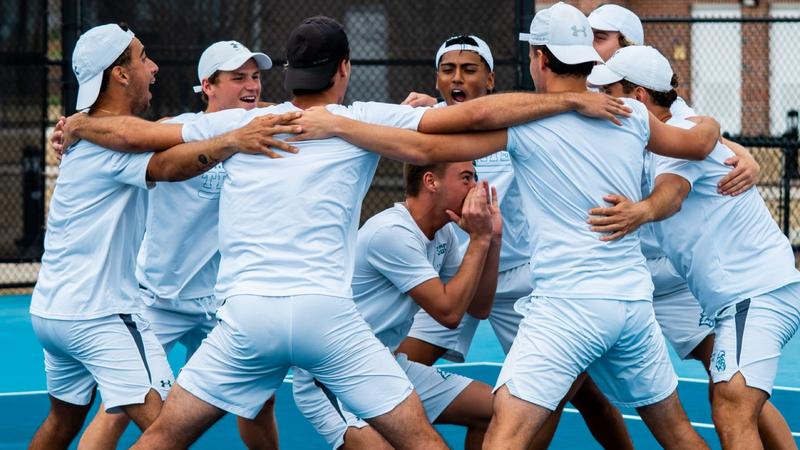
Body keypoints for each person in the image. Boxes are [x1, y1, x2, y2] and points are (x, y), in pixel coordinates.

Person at [56, 16, 631, 449]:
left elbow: (136, 135)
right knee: (421, 440)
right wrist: (570, 102)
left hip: (246, 318)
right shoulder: (364, 119)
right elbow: (477, 115)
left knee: (162, 437)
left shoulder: (241, 122)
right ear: (344, 70)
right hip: (325, 320)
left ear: (287, 72)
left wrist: (80, 124)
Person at [284, 3, 726, 449]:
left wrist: (339, 125)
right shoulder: (630, 114)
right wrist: (714, 123)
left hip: (568, 305)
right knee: (677, 432)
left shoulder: (527, 126)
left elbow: (423, 148)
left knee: (506, 434)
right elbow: (697, 142)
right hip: (631, 303)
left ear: (539, 58)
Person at [29, 23, 295, 450]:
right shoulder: (129, 137)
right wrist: (232, 141)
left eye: (254, 76)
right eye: (142, 57)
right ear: (208, 86)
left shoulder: (108, 132)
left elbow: (294, 112)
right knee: (166, 430)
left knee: (63, 422)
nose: (153, 67)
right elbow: (165, 161)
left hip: (62, 308)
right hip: (114, 307)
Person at [397, 34, 633, 449]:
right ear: (436, 79)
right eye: (448, 70)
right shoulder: (426, 122)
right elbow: (347, 122)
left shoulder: (520, 120)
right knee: (392, 375)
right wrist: (409, 114)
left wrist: (732, 148)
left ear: (490, 80)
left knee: (579, 392)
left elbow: (663, 124)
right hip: (456, 277)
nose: (457, 78)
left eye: (469, 70)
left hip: (519, 278)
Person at [586, 45, 800, 450]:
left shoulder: (679, 138)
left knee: (732, 406)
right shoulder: (669, 132)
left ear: (638, 97)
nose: (602, 99)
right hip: (745, 296)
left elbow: (673, 194)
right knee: (729, 398)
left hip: (755, 294)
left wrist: (639, 212)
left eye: (609, 91)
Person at [294, 164, 501, 450]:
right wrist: (478, 239)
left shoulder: (443, 235)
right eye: (466, 178)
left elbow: (479, 308)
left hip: (384, 365)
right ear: (431, 181)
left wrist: (493, 238)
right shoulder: (391, 232)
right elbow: (449, 313)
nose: (476, 187)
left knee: (496, 410)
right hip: (333, 375)